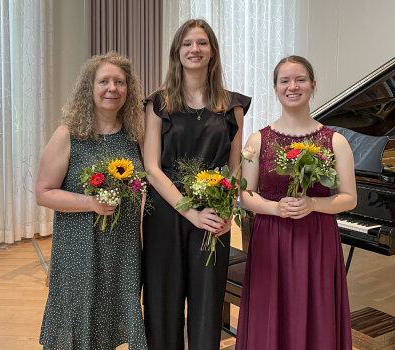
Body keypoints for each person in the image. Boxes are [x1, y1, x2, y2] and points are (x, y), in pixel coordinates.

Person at [141, 19, 251, 350]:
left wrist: (226, 208)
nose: (195, 49)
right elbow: (151, 168)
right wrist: (190, 213)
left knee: (207, 301)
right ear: (177, 52)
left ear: (212, 52)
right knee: (162, 299)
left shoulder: (232, 105)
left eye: (202, 43)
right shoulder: (158, 104)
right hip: (165, 209)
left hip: (213, 208)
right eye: (187, 43)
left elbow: (236, 168)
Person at [235, 55, 357, 350]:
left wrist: (313, 204)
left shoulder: (335, 141)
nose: (293, 86)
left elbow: (349, 198)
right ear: (275, 88)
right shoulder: (257, 140)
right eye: (285, 81)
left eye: (300, 79)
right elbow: (245, 194)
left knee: (316, 307)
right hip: (271, 237)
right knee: (272, 309)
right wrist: (276, 208)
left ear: (313, 85)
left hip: (316, 238)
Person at [35, 52, 147, 349]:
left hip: (122, 248)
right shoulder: (68, 135)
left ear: (128, 90)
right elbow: (43, 192)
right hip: (78, 248)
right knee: (77, 317)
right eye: (104, 81)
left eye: (120, 82)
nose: (112, 88)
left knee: (110, 320)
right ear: (90, 88)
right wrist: (91, 203)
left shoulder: (135, 136)